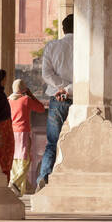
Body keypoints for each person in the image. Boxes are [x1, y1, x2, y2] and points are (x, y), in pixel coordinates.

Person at [36, 13, 74, 190]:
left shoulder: (53, 46)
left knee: (53, 141)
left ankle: (44, 177)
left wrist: (62, 88)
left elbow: (47, 74)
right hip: (79, 99)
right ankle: (71, 180)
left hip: (57, 99)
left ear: (63, 29)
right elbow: (87, 76)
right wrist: (69, 89)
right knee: (78, 141)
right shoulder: (85, 48)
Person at [7, 79, 47, 194]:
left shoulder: (8, 100)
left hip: (11, 131)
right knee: (26, 160)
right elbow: (41, 108)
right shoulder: (25, 100)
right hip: (23, 132)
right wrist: (31, 95)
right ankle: (14, 182)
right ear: (23, 89)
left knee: (15, 160)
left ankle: (19, 190)